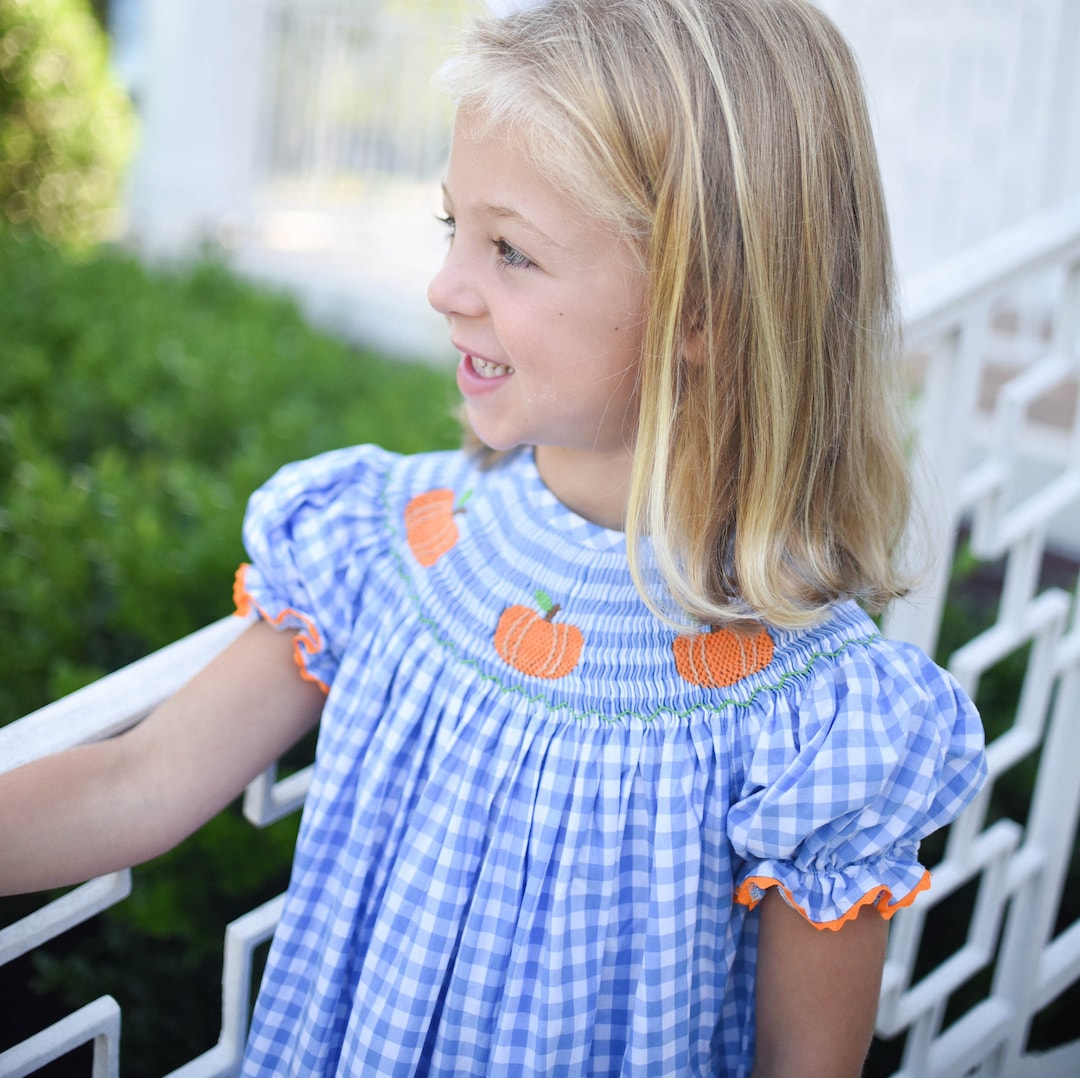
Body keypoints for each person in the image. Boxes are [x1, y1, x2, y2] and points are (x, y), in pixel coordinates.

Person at [0, 0, 986, 1074]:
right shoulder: (398, 547)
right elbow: (141, 779)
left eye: (510, 250)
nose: (444, 287)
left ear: (703, 307)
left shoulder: (812, 715)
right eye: (451, 228)